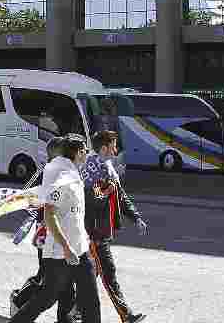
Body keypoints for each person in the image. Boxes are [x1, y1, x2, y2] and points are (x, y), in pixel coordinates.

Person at [9, 135, 101, 323]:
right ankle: (19, 307)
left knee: (87, 297)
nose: (87, 154)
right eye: (84, 150)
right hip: (58, 248)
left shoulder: (73, 173)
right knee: (49, 295)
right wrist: (41, 220)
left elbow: (74, 211)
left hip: (77, 247)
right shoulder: (54, 174)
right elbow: (32, 201)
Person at [84, 131, 148, 323]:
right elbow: (93, 200)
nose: (116, 149)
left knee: (89, 276)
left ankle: (74, 310)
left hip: (101, 231)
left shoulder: (108, 168)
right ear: (104, 148)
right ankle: (126, 315)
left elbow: (121, 195)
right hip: (94, 232)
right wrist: (107, 190)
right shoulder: (93, 170)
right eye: (113, 146)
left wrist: (135, 217)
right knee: (108, 273)